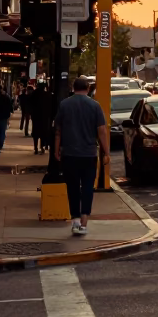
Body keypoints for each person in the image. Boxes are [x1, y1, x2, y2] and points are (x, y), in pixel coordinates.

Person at [54, 76, 109, 236]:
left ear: (73, 87)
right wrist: (106, 151)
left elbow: (58, 130)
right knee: (86, 187)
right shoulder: (95, 106)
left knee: (72, 187)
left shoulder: (64, 105)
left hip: (69, 153)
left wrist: (57, 149)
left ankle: (75, 220)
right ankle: (84, 221)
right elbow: (102, 131)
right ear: (88, 88)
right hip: (89, 154)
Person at [31, 82, 55, 155]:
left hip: (36, 117)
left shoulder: (34, 94)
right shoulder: (47, 95)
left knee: (36, 132)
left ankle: (35, 147)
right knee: (43, 133)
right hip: (44, 117)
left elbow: (31, 104)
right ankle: (42, 147)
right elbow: (51, 106)